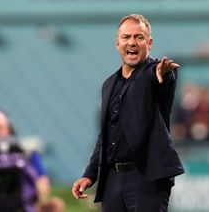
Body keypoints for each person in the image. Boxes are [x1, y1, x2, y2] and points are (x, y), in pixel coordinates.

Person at [72, 14, 184, 212]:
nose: (132, 42)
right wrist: (90, 174)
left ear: (149, 43)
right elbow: (105, 135)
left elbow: (163, 78)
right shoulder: (108, 84)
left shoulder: (153, 73)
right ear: (117, 43)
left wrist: (163, 73)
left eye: (139, 37)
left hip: (146, 177)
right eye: (126, 37)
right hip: (113, 179)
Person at [0, 109, 64, 212]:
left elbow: (43, 184)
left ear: (9, 129)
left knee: (54, 205)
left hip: (25, 206)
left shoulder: (27, 155)